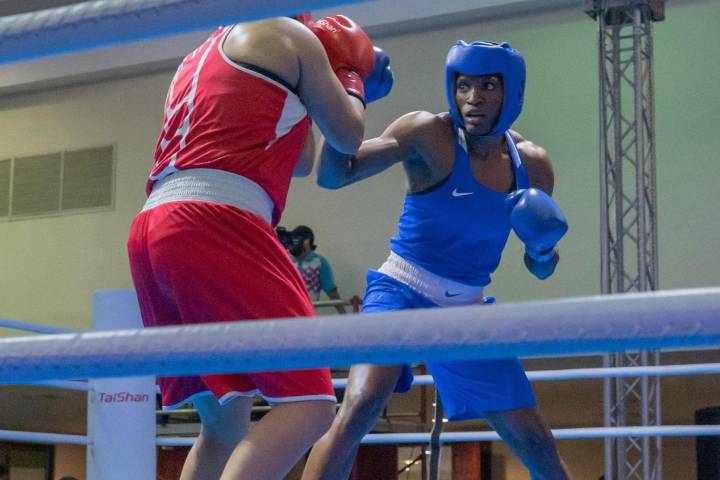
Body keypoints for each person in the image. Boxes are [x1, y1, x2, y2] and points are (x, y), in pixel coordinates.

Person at [127, 14, 392, 480]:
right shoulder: (290, 34)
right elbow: (348, 135)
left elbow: (301, 160)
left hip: (153, 229)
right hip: (217, 219)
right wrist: (350, 78)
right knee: (311, 405)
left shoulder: (200, 53)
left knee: (223, 425)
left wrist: (318, 83)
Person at [302, 41, 570, 479]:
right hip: (400, 289)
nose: (473, 98)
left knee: (535, 440)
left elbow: (540, 268)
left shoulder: (533, 166)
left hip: (466, 308)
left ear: (512, 91)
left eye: (487, 86)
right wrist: (350, 100)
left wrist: (542, 248)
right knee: (360, 407)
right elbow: (333, 176)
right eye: (464, 86)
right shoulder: (428, 134)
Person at [289, 225, 347, 314]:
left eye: (299, 240)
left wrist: (344, 315)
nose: (296, 244)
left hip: (308, 313)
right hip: (286, 313)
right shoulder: (287, 260)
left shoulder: (319, 262)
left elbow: (331, 291)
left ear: (308, 240)